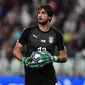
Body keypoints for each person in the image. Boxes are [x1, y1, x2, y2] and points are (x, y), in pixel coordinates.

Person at [13, 5, 68, 85]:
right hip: (31, 75)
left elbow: (64, 56)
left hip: (48, 76)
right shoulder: (28, 31)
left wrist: (53, 58)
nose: (39, 15)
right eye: (38, 13)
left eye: (43, 13)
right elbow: (16, 50)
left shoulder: (57, 35)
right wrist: (24, 60)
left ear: (50, 17)